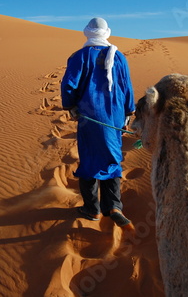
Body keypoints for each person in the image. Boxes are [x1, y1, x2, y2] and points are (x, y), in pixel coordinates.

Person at [61, 18, 135, 228]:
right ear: (106, 32)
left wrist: (70, 106)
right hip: (115, 116)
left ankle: (92, 208)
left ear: (87, 32)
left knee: (90, 158)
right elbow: (127, 87)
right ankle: (114, 206)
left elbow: (69, 85)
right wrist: (129, 112)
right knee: (112, 156)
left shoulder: (79, 56)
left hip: (90, 117)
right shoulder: (119, 56)